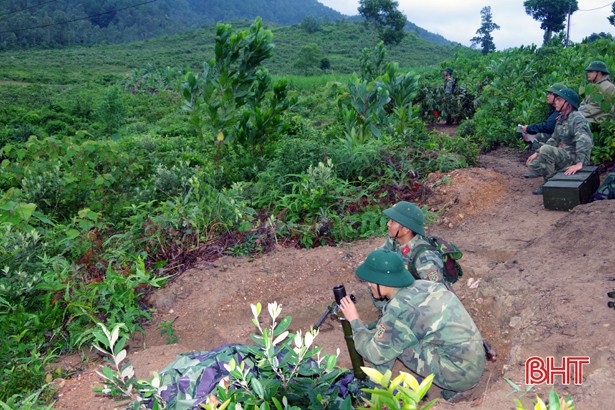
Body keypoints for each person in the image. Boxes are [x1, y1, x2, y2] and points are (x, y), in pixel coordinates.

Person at [338, 249, 485, 401]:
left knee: (392, 345)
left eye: (371, 280)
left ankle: (374, 392)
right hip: (473, 361)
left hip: (460, 375)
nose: (368, 285)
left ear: (383, 281)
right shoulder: (423, 285)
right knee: (396, 335)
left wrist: (355, 321)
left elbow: (375, 353)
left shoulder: (398, 310)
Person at [526, 87, 594, 195]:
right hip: (565, 154)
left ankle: (548, 184)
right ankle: (555, 175)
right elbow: (554, 138)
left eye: (559, 100)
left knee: (546, 150)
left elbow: (584, 141)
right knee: (533, 164)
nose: (555, 102)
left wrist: (580, 163)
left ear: (568, 103)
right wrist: (537, 152)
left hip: (574, 156)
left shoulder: (577, 118)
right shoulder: (562, 118)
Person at [379, 201, 445, 284]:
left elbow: (436, 293)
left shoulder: (424, 258)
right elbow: (379, 257)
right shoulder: (394, 241)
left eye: (393, 221)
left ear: (406, 229)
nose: (388, 224)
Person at [519, 83, 565, 155]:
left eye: (550, 94)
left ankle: (536, 159)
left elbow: (547, 127)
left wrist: (529, 128)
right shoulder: (555, 109)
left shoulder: (560, 111)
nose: (547, 96)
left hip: (564, 142)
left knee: (541, 136)